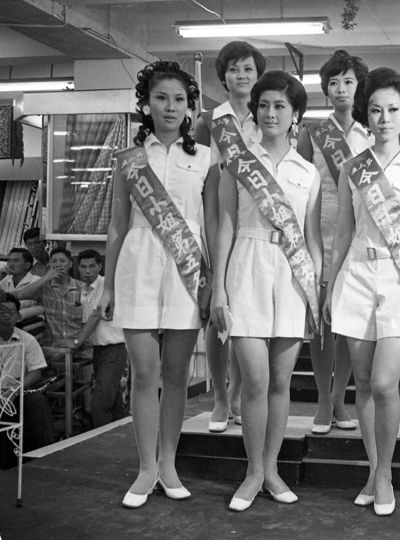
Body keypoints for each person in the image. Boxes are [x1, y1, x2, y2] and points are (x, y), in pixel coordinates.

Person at [97, 60, 217, 508]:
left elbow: (212, 224)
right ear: (146, 103)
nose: (170, 107)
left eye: (179, 99)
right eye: (161, 98)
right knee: (144, 374)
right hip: (139, 266)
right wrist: (108, 285)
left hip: (188, 271)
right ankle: (146, 468)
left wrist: (214, 282)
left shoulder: (206, 158)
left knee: (177, 374)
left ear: (189, 107)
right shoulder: (129, 159)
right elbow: (116, 225)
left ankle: (168, 463)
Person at [324, 67, 400, 516]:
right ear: (366, 115)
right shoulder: (353, 168)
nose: (384, 118)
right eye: (375, 110)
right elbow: (342, 233)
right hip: (357, 276)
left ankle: (385, 473)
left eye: (393, 110)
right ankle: (373, 470)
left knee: (386, 383)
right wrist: (330, 287)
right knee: (365, 382)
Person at [211, 71, 322, 512]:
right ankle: (253, 471)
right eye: (264, 105)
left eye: (280, 106)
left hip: (292, 278)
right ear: (254, 111)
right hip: (247, 268)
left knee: (280, 381)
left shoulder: (308, 172)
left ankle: (272, 469)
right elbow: (225, 227)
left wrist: (316, 290)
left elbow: (311, 238)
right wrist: (218, 289)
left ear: (296, 115)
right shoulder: (235, 164)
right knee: (254, 380)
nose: (271, 113)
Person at [296, 50, 370, 435]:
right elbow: (301, 185)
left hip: (358, 230)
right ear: (325, 89)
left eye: (348, 82)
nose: (341, 89)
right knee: (321, 322)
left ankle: (340, 397)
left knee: (349, 321)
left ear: (359, 87)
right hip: (320, 228)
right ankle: (323, 401)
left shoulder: (370, 134)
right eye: (334, 83)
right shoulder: (312, 133)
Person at [195, 40, 266, 433]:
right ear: (223, 76)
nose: (241, 75)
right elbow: (200, 179)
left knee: (246, 315)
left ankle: (237, 392)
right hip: (216, 217)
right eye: (234, 69)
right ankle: (220, 397)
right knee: (216, 312)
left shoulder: (266, 117)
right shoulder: (210, 121)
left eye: (248, 69)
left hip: (254, 224)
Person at [73, 249, 128, 428]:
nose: (87, 271)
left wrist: (77, 342)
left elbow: (96, 315)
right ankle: (123, 436)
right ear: (78, 268)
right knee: (114, 401)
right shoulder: (84, 290)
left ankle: (100, 438)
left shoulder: (105, 284)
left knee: (100, 403)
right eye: (83, 267)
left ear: (100, 266)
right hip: (99, 350)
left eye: (92, 266)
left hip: (114, 349)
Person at [0, 292, 55, 464]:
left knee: (38, 402)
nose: (6, 316)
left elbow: (36, 372)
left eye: (11, 312)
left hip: (17, 392)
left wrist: (14, 390)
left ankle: (47, 457)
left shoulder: (27, 340)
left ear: (18, 316)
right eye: (2, 311)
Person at [15, 248, 90, 357]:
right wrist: (46, 277)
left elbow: (90, 320)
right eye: (54, 261)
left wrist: (77, 342)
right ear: (50, 264)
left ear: (70, 264)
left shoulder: (82, 288)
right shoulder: (44, 287)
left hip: (79, 349)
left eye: (62, 261)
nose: (58, 264)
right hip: (52, 349)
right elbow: (22, 295)